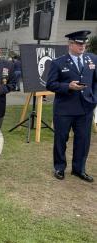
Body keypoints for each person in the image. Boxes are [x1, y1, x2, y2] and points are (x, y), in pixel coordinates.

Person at [46, 30, 96, 182]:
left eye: (85, 43)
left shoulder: (92, 59)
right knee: (61, 139)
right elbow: (51, 84)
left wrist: (94, 98)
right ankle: (60, 167)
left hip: (85, 108)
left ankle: (79, 169)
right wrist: (68, 86)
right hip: (65, 109)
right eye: (79, 44)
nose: (83, 46)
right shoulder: (58, 62)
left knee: (83, 139)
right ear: (71, 44)